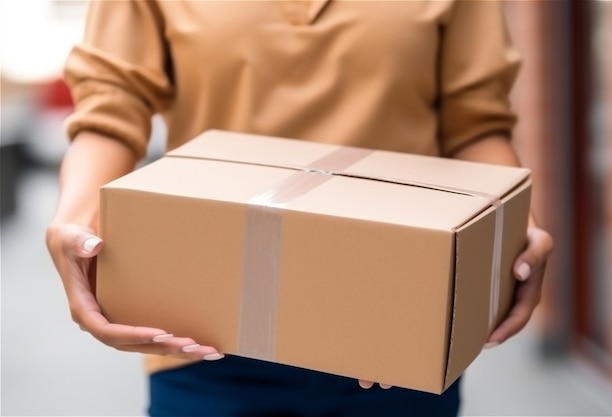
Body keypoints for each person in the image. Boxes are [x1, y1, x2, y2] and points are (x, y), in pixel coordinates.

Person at [46, 1, 553, 416]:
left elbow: (475, 122)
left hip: (397, 329)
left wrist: (511, 234)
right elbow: (111, 108)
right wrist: (73, 222)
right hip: (206, 335)